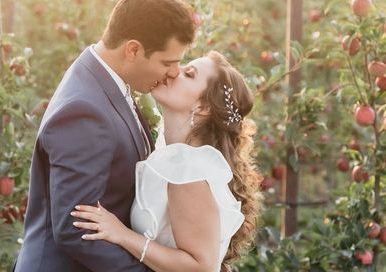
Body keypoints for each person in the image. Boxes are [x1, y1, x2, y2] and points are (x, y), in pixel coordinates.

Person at [14, 0, 196, 272]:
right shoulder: (85, 112)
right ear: (133, 50)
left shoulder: (102, 82)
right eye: (167, 62)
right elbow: (78, 231)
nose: (173, 72)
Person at [71, 51, 261, 272]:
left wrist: (123, 235)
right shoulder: (172, 156)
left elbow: (201, 267)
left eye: (188, 74)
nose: (173, 71)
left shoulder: (188, 170)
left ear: (203, 107)